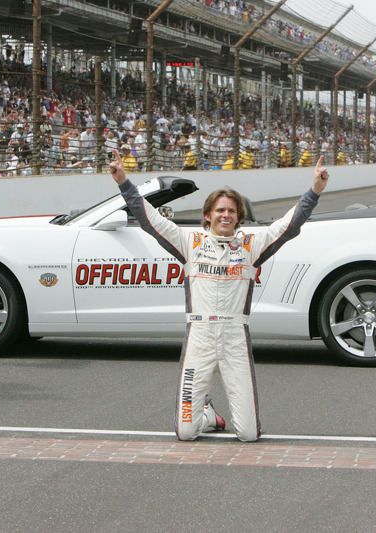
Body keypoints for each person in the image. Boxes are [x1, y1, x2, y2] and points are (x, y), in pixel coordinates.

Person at [108, 150, 330, 442]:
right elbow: (149, 220)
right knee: (186, 434)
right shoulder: (189, 241)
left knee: (249, 435)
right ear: (208, 215)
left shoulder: (251, 244)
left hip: (234, 336)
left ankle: (214, 414)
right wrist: (123, 181)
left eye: (232, 211)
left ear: (239, 217)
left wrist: (314, 191)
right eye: (220, 210)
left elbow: (288, 227)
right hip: (199, 335)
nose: (226, 215)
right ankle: (207, 414)